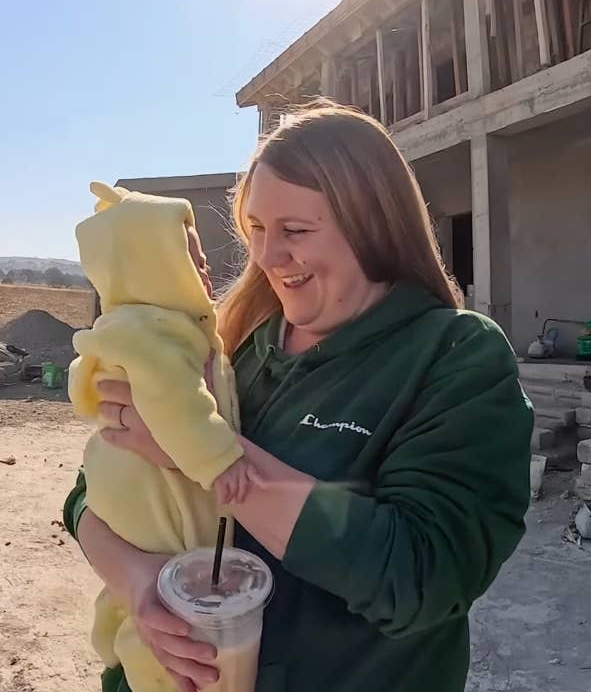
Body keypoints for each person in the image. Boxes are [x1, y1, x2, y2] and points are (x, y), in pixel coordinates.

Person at [64, 102, 534, 692]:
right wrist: (142, 584)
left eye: (296, 231)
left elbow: (423, 576)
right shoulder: (230, 340)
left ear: (373, 223)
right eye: (257, 229)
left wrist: (205, 454)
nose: (266, 256)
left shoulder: (454, 355)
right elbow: (88, 496)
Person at [69, 181, 252, 692]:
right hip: (148, 496)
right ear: (154, 269)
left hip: (147, 500)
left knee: (152, 598)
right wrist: (223, 461)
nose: (205, 267)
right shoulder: (152, 333)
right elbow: (176, 408)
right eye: (189, 258)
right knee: (167, 618)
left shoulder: (169, 330)